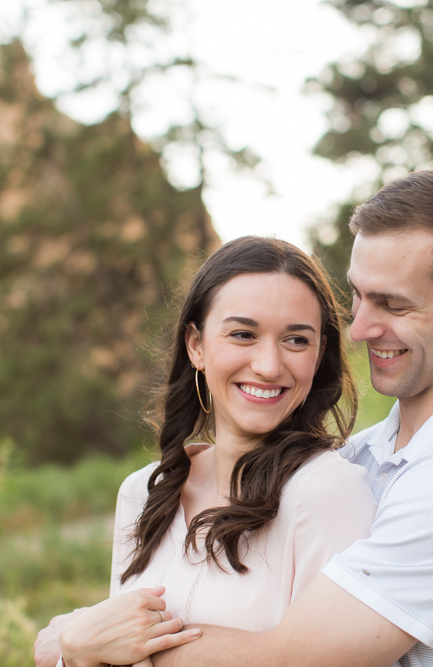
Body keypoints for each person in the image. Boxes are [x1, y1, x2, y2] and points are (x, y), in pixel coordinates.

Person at [141, 166, 433, 666]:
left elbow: (284, 661)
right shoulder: (363, 455)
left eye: (393, 304)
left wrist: (90, 643)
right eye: (359, 296)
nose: (359, 329)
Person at [36, 236, 376, 667]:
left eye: (295, 340)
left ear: (319, 353)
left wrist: (74, 638)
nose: (269, 365)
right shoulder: (143, 492)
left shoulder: (326, 492)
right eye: (242, 334)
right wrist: (78, 650)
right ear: (196, 345)